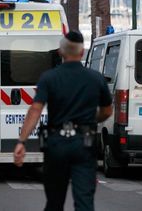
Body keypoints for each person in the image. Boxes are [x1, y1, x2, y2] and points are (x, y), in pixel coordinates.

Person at [13, 31, 113, 211]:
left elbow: (35, 109)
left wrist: (22, 141)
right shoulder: (96, 78)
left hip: (56, 143)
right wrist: (92, 118)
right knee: (84, 201)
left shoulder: (49, 78)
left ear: (61, 52)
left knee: (54, 200)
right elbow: (107, 110)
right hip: (85, 142)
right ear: (82, 53)